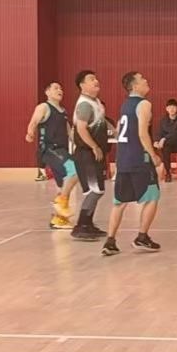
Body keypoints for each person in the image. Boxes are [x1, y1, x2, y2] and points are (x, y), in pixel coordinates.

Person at [102, 72, 163, 256]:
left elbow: (120, 130)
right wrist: (153, 155)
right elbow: (142, 133)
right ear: (135, 86)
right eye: (142, 79)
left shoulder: (125, 105)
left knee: (119, 202)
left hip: (123, 159)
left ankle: (110, 242)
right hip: (139, 158)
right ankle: (142, 237)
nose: (146, 80)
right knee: (152, 197)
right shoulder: (144, 104)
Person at [26, 81, 79, 230]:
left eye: (61, 88)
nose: (59, 90)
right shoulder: (44, 107)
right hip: (50, 149)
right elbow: (33, 122)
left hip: (62, 151)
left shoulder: (63, 111)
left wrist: (81, 144)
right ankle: (61, 202)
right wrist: (30, 133)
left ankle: (59, 219)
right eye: (55, 88)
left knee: (63, 184)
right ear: (47, 92)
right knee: (74, 169)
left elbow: (69, 132)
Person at [70, 70, 109, 240]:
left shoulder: (96, 102)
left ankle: (88, 224)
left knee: (98, 190)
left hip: (94, 153)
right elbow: (81, 128)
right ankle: (81, 226)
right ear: (82, 85)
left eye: (96, 78)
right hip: (86, 154)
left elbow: (100, 122)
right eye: (91, 79)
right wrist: (94, 146)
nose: (96, 81)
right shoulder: (85, 104)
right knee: (94, 190)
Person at [154, 98, 177, 183]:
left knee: (165, 146)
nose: (171, 109)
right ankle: (166, 172)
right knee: (162, 147)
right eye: (169, 107)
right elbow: (159, 132)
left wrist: (164, 139)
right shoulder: (163, 120)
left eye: (173, 107)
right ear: (166, 109)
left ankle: (167, 172)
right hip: (166, 145)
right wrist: (156, 141)